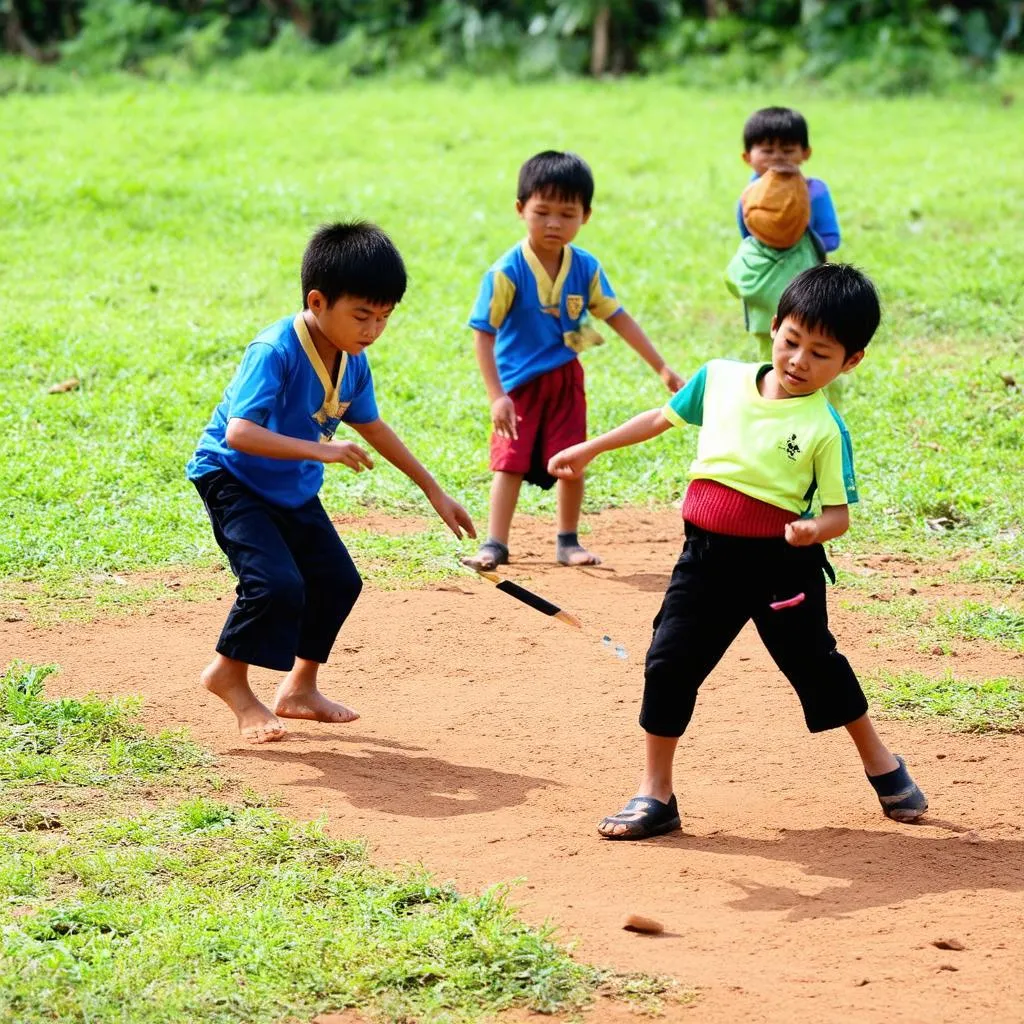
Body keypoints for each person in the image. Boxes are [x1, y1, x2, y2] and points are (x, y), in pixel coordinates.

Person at [548, 264, 928, 839]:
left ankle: (881, 761)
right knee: (668, 663)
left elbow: (838, 516)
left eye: (820, 354)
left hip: (781, 569)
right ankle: (656, 794)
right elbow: (660, 417)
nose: (799, 360)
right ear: (774, 326)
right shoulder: (719, 379)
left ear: (851, 362)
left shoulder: (824, 428)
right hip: (703, 559)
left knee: (815, 666)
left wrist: (811, 532)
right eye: (791, 341)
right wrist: (589, 449)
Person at [187, 222, 475, 744]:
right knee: (275, 585)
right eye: (362, 315)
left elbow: (373, 427)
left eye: (384, 317)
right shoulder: (274, 350)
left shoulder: (352, 361)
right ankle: (226, 674)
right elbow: (240, 433)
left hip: (290, 484)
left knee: (339, 581)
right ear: (317, 302)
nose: (372, 329)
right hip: (233, 478)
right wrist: (323, 450)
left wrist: (435, 491)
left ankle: (299, 688)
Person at [462, 150, 684, 571]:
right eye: (542, 211)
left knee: (572, 458)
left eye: (567, 214)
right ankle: (495, 544)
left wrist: (661, 366)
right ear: (520, 209)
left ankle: (567, 540)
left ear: (586, 216)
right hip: (519, 386)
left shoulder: (585, 267)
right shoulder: (506, 272)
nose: (553, 223)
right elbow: (483, 334)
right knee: (508, 464)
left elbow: (617, 317)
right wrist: (496, 396)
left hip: (566, 380)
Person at [730, 107, 840, 368]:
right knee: (770, 353)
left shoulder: (815, 191)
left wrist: (795, 231)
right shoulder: (750, 196)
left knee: (809, 338)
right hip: (764, 287)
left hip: (806, 285)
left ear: (806, 153)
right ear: (748, 156)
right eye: (767, 151)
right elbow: (747, 237)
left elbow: (831, 237)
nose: (777, 157)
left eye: (787, 150)